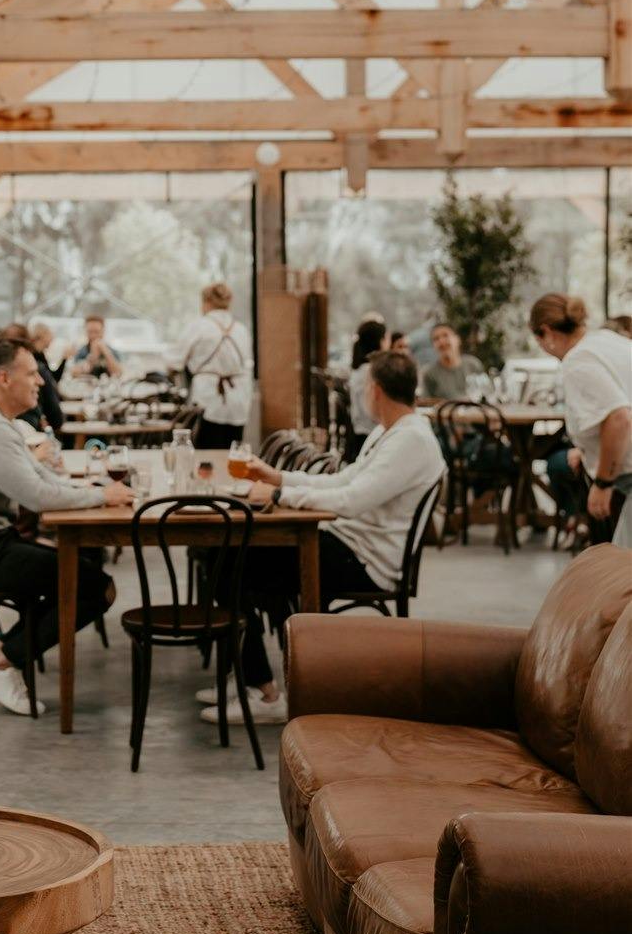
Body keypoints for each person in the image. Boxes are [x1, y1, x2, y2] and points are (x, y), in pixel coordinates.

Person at [203, 349, 444, 726]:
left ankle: (264, 692)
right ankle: (254, 674)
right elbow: (344, 480)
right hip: (347, 543)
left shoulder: (410, 441)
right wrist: (278, 478)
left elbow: (350, 500)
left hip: (367, 561)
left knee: (229, 565)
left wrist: (281, 497)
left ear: (375, 390)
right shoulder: (390, 431)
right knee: (232, 560)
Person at [0, 333, 131, 714]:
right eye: (32, 374)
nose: (41, 381)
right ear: (4, 379)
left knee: (81, 577)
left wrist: (93, 489)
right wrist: (102, 497)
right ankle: (1, 660)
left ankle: (2, 655)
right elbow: (36, 498)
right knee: (95, 587)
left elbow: (39, 477)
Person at [529, 294, 632, 548]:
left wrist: (603, 483)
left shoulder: (578, 359)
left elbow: (619, 418)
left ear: (546, 332)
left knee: (622, 572)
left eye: (538, 340)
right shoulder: (607, 340)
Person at [170, 281, 253, 449]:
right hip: (238, 401)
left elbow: (174, 361)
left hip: (208, 400)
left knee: (206, 454)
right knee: (231, 451)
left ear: (206, 302)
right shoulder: (241, 329)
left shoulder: (199, 327)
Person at [346, 317, 387, 459]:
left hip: (359, 435)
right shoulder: (370, 372)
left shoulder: (360, 369)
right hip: (369, 437)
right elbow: (371, 413)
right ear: (380, 341)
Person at [421, 322, 487, 402]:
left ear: (457, 339)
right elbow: (426, 404)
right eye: (436, 339)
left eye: (445, 335)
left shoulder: (473, 364)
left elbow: (486, 394)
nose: (441, 341)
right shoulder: (429, 373)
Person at [70, 313, 123, 380]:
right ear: (85, 331)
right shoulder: (81, 352)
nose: (93, 335)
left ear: (103, 331)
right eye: (90, 332)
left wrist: (105, 351)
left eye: (96, 332)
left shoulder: (113, 352)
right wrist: (93, 356)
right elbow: (74, 373)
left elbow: (118, 373)